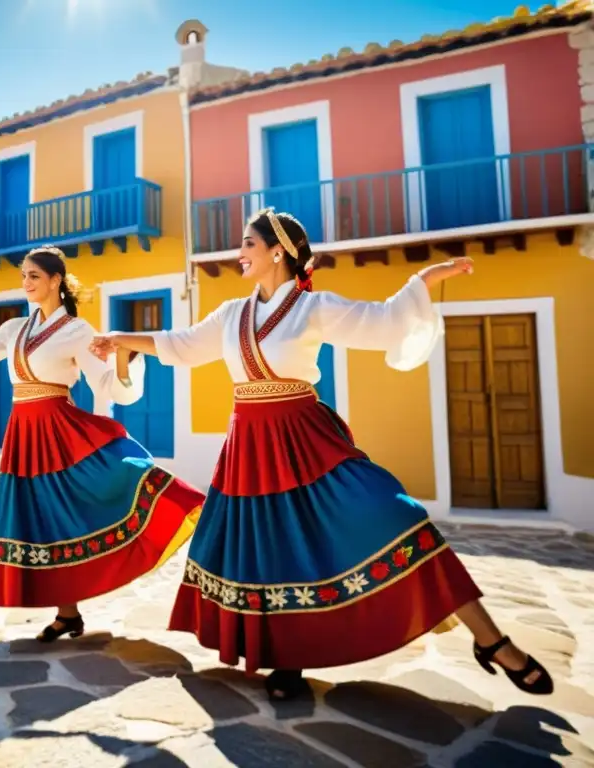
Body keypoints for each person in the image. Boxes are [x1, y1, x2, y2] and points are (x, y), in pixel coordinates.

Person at [89, 208, 553, 700]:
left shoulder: (314, 308)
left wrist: (423, 280)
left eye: (248, 243)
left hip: (307, 441)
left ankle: (492, 640)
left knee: (401, 520)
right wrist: (120, 339)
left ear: (278, 252)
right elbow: (179, 344)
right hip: (250, 444)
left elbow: (384, 322)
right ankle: (284, 662)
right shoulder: (232, 315)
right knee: (271, 550)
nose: (238, 253)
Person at [0, 245, 204, 642]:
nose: (26, 283)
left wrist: (122, 358)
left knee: (85, 499)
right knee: (41, 519)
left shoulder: (77, 331)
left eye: (34, 276)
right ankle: (67, 614)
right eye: (23, 276)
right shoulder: (15, 328)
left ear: (56, 281)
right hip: (23, 433)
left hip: (60, 432)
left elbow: (107, 385)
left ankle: (178, 504)